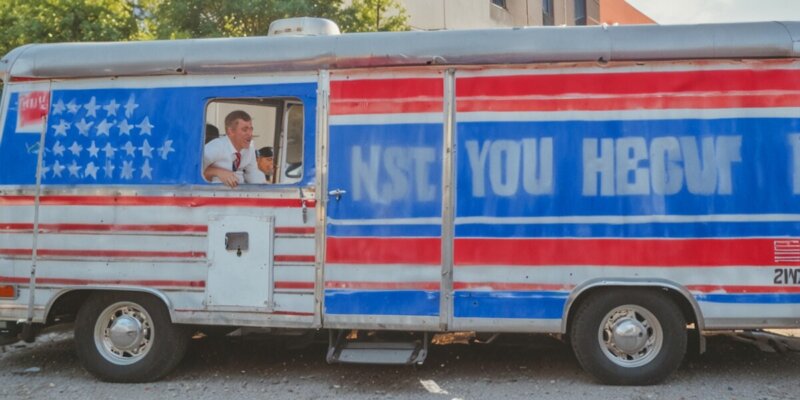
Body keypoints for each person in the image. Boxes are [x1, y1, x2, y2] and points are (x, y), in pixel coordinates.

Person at [203, 110, 266, 188]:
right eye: (244, 130)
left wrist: (265, 187)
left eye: (251, 129)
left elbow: (252, 173)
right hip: (214, 195)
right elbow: (193, 170)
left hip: (238, 195)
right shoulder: (217, 146)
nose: (250, 134)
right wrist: (217, 171)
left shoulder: (250, 149)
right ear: (230, 131)